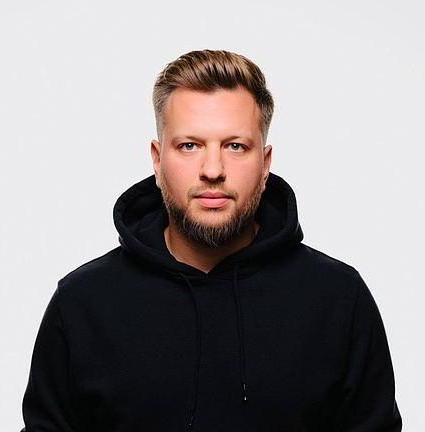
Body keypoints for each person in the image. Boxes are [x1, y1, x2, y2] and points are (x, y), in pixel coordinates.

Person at [21, 49, 402, 431]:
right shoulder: (82, 302)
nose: (213, 170)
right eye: (190, 145)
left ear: (265, 164)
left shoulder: (339, 298)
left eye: (235, 146)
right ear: (157, 160)